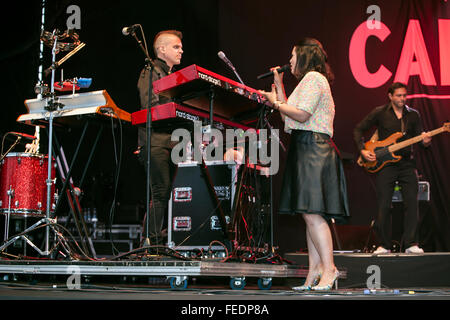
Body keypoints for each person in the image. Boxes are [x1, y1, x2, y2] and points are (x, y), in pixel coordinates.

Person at [259, 38, 349, 291]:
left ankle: (329, 269)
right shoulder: (308, 81)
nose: (289, 61)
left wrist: (274, 101)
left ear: (305, 57)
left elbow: (302, 114)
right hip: (305, 147)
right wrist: (278, 87)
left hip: (313, 148)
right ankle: (314, 272)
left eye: (292, 55)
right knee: (308, 214)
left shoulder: (313, 79)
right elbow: (291, 116)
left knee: (313, 213)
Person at [353, 82, 431, 255]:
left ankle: (411, 243)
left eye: (404, 95)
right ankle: (384, 245)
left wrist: (425, 141)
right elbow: (358, 129)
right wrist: (363, 150)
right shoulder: (380, 112)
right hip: (385, 165)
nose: (402, 99)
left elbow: (420, 139)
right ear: (390, 96)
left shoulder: (413, 115)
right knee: (384, 205)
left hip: (407, 164)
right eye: (398, 95)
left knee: (412, 203)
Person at [136, 30, 184, 245]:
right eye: (176, 46)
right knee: (160, 192)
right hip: (155, 141)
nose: (181, 50)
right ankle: (151, 243)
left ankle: (155, 241)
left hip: (171, 142)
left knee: (164, 194)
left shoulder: (173, 76)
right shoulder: (151, 70)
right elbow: (150, 106)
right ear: (161, 49)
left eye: (181, 47)